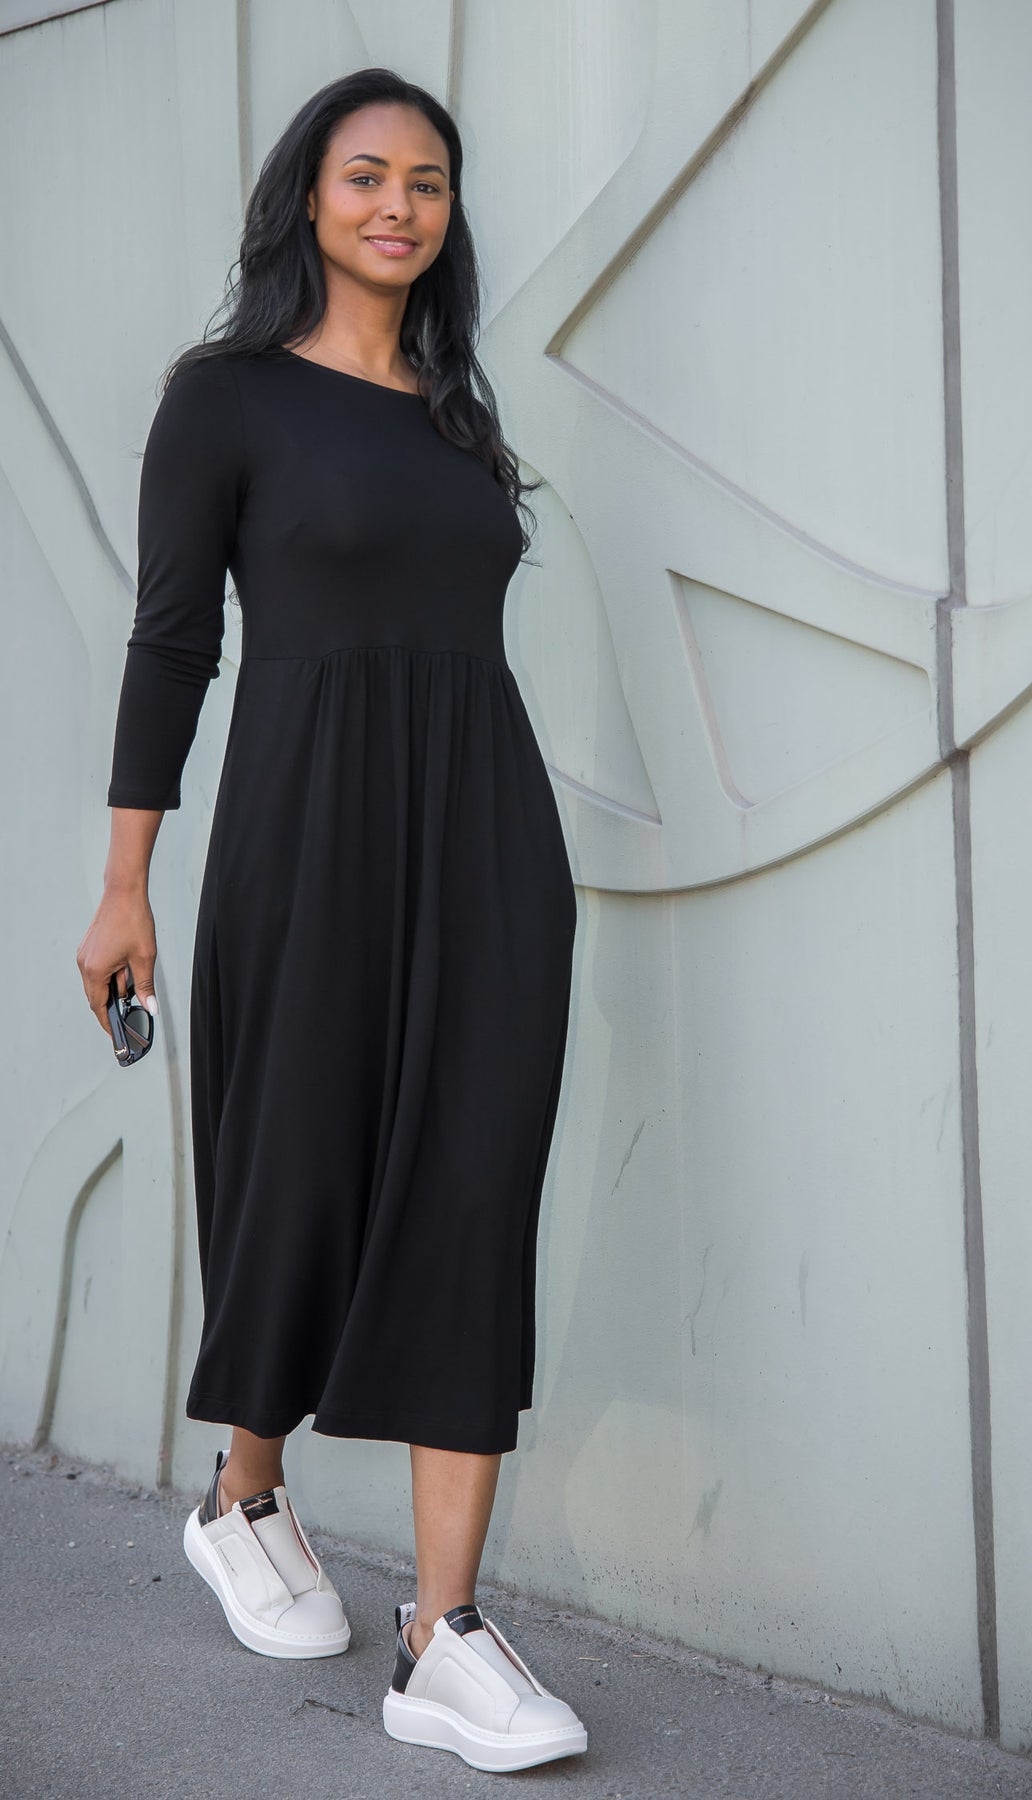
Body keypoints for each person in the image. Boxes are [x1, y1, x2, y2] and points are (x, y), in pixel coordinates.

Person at [74, 65, 586, 1776]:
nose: (397, 205)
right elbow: (173, 642)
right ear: (310, 194)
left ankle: (443, 1635)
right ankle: (246, 1490)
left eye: (427, 182)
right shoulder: (223, 399)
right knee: (292, 1160)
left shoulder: (454, 410)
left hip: (486, 836)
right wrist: (128, 881)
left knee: (470, 1185)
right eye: (366, 175)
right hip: (304, 834)